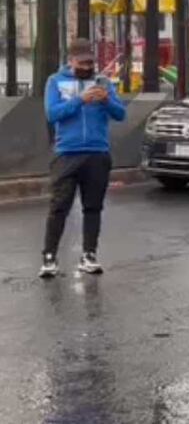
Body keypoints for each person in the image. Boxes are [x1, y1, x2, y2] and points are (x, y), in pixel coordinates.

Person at [39, 39, 127, 278]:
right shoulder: (55, 81)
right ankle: (49, 257)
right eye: (82, 63)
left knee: (93, 207)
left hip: (97, 152)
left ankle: (89, 254)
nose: (87, 67)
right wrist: (80, 100)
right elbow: (52, 113)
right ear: (71, 60)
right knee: (59, 206)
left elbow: (121, 114)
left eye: (90, 63)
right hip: (67, 153)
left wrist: (106, 100)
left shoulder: (103, 82)